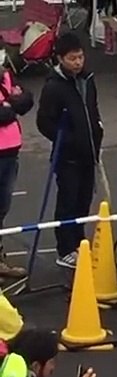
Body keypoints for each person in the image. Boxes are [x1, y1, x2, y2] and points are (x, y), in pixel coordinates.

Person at [35, 33, 103, 269]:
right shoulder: (53, 87)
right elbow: (44, 122)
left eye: (80, 57)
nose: (78, 62)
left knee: (84, 201)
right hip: (68, 158)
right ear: (60, 59)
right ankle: (65, 249)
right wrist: (67, 140)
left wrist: (98, 131)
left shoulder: (88, 79)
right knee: (68, 202)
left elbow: (92, 108)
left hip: (90, 153)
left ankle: (78, 242)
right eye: (72, 58)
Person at [0, 61, 32, 280]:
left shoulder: (6, 75)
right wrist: (12, 104)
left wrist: (10, 105)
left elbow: (26, 100)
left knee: (2, 208)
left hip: (10, 152)